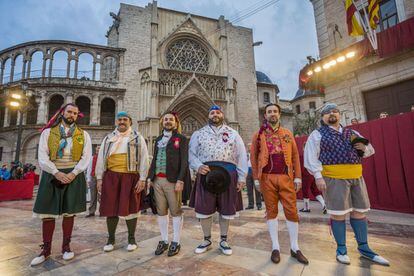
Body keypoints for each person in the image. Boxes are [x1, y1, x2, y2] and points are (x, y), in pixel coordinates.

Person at [304, 102, 389, 266]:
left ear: (339, 115)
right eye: (328, 112)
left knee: (359, 212)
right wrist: (318, 176)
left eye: (335, 111)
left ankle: (365, 249)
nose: (332, 114)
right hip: (334, 178)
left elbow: (370, 151)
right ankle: (341, 250)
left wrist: (363, 148)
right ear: (323, 117)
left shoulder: (352, 132)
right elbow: (311, 157)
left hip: (356, 177)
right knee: (338, 213)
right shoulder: (317, 134)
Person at [31, 103, 92, 266]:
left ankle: (66, 247)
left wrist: (73, 173)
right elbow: (42, 157)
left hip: (73, 174)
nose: (72, 115)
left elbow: (86, 157)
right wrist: (56, 172)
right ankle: (46, 250)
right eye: (69, 112)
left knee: (69, 212)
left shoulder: (83, 134)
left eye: (75, 113)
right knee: (48, 214)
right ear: (62, 113)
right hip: (52, 174)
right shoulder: (48, 133)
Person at [250, 103, 308, 265]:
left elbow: (295, 156)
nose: (272, 114)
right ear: (265, 115)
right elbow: (253, 158)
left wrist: (297, 177)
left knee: (291, 211)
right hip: (267, 178)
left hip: (285, 177)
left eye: (275, 111)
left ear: (279, 114)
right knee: (271, 212)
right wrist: (256, 178)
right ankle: (275, 247)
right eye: (269, 112)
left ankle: (295, 247)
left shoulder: (288, 133)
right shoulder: (258, 135)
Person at [189, 105, 248, 256]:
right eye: (212, 112)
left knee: (226, 209)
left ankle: (223, 240)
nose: (215, 115)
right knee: (204, 209)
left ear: (222, 115)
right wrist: (198, 166)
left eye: (218, 112)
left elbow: (241, 155)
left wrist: (241, 177)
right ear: (208, 115)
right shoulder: (199, 133)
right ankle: (207, 240)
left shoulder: (233, 133)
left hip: (228, 174)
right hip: (206, 173)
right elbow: (191, 153)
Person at [95, 111, 149, 253]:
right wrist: (99, 178)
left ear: (130, 122)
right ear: (116, 122)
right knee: (110, 208)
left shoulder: (138, 138)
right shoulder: (108, 138)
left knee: (131, 208)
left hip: (130, 177)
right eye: (119, 120)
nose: (122, 122)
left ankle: (131, 239)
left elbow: (144, 159)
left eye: (125, 119)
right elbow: (101, 159)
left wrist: (143, 178)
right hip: (111, 177)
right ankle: (111, 239)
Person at [147, 112, 189, 257]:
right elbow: (154, 160)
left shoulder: (181, 139)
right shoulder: (158, 139)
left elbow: (184, 161)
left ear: (176, 123)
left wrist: (180, 179)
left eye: (171, 119)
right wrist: (150, 177)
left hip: (173, 181)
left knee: (176, 211)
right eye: (166, 119)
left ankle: (176, 241)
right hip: (157, 180)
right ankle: (164, 240)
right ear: (162, 122)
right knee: (161, 211)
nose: (168, 121)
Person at [299, 142, 326, 214]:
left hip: (306, 174)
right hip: (314, 174)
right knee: (315, 190)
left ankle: (306, 208)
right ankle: (324, 204)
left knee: (305, 190)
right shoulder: (314, 156)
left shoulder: (303, 156)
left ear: (304, 148)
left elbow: (300, 167)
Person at [245, 143, 262, 210]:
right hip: (248, 172)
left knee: (257, 189)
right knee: (249, 190)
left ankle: (259, 204)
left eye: (250, 146)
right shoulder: (245, 155)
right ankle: (250, 204)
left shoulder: (256, 154)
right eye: (248, 147)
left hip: (255, 172)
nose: (249, 148)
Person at [85, 145, 100, 217]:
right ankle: (91, 211)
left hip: (101, 178)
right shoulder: (92, 158)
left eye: (100, 148)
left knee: (102, 196)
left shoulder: (104, 158)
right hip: (93, 177)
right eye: (97, 149)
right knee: (93, 195)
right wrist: (88, 179)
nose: (98, 150)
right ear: (95, 149)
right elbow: (89, 169)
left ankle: (103, 211)